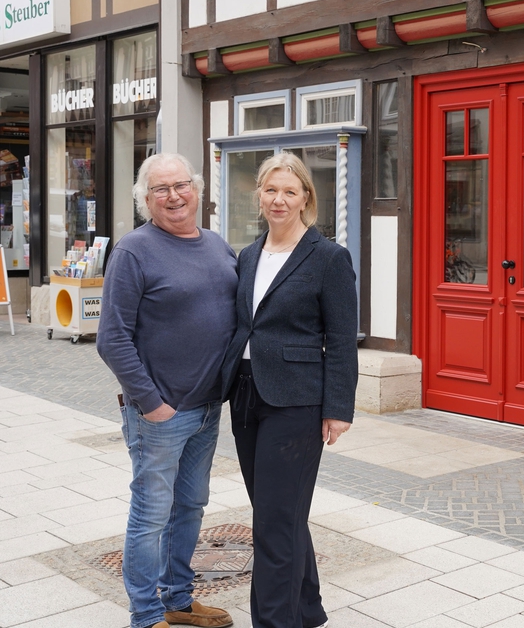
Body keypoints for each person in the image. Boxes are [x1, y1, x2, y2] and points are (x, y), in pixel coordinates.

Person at [97, 153, 237, 628]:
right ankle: (145, 614)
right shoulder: (134, 251)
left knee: (191, 505)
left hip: (207, 408)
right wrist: (152, 403)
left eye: (181, 185)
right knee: (151, 515)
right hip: (160, 413)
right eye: (161, 189)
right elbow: (111, 338)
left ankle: (177, 599)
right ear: (146, 199)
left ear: (196, 189)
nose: (174, 196)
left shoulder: (217, 245)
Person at [220, 153, 358, 628]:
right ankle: (307, 609)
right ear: (259, 196)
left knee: (274, 521)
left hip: (296, 401)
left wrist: (338, 408)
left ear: (305, 199)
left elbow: (341, 339)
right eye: (271, 190)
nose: (279, 200)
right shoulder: (248, 255)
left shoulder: (329, 257)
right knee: (280, 513)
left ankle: (275, 621)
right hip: (245, 395)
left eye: (289, 192)